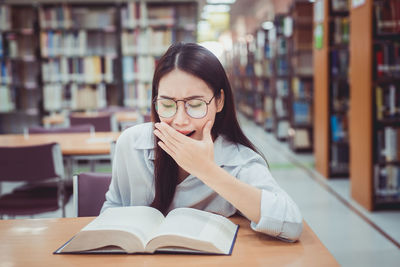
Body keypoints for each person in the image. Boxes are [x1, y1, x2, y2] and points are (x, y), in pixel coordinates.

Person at [101, 42, 303, 241]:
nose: (180, 120)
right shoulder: (131, 144)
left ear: (219, 101)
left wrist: (207, 170)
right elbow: (111, 211)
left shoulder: (238, 160)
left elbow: (291, 224)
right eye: (167, 104)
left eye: (195, 105)